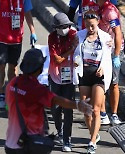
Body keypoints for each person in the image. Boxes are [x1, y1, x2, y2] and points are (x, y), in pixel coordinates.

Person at [5, 48, 93, 154]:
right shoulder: (36, 88)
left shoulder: (13, 83)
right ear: (40, 68)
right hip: (29, 144)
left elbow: (8, 106)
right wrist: (78, 105)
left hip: (10, 145)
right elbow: (56, 100)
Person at [0, 0, 37, 109]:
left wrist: (33, 32)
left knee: (13, 67)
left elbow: (27, 12)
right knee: (1, 65)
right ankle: (1, 95)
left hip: (16, 37)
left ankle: (11, 93)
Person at [73, 11, 112, 154]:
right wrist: (75, 62)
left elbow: (107, 57)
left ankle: (92, 142)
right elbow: (74, 52)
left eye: (93, 25)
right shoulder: (78, 36)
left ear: (98, 23)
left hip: (98, 75)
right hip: (84, 73)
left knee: (96, 109)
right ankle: (93, 135)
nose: (90, 28)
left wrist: (103, 68)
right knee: (86, 110)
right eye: (88, 25)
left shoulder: (106, 37)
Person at [48, 12, 78, 152]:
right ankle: (59, 130)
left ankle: (67, 139)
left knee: (68, 109)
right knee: (55, 108)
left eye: (67, 25)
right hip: (55, 77)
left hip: (69, 79)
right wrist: (71, 49)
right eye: (62, 26)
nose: (66, 28)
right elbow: (57, 60)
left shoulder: (74, 34)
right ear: (56, 28)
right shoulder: (52, 38)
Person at [96, 0, 123, 125]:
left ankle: (114, 114)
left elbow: (117, 33)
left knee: (114, 84)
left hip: (111, 52)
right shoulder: (98, 8)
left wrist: (116, 55)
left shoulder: (110, 12)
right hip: (101, 51)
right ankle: (103, 113)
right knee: (100, 82)